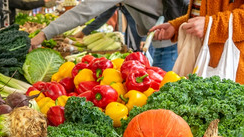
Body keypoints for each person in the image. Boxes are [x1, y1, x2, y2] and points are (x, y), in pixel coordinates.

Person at [30, 0, 184, 71]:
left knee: (163, 90)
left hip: (168, 38)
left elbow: (83, 12)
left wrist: (43, 35)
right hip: (163, 34)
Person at [150, 0, 244, 83]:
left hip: (232, 67)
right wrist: (176, 26)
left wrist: (210, 25)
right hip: (202, 65)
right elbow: (204, 11)